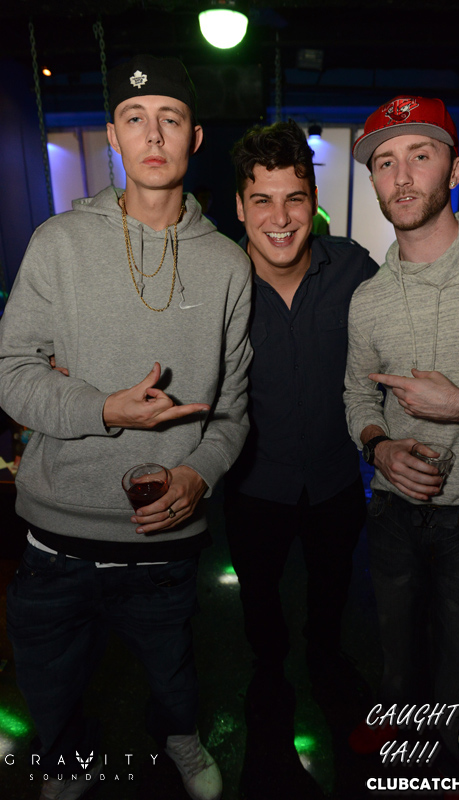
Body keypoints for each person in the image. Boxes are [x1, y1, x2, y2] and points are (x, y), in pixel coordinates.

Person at [0, 55, 252, 800]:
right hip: (57, 534)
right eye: (135, 119)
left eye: (171, 118)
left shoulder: (228, 265)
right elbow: (11, 372)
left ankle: (179, 738)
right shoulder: (58, 241)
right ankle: (67, 760)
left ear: (195, 137)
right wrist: (103, 409)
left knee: (174, 672)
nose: (154, 134)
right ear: (112, 135)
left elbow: (234, 408)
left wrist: (198, 472)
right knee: (51, 681)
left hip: (165, 537)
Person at [344, 95, 459, 757]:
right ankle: (399, 717)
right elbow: (356, 396)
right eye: (384, 162)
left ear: (454, 171)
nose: (401, 176)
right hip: (393, 509)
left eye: (420, 156)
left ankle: (457, 758)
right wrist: (379, 446)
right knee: (395, 645)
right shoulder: (368, 299)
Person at [225, 120, 378, 715]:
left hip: (336, 480)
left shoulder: (354, 270)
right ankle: (268, 671)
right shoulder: (217, 283)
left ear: (314, 202)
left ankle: (325, 658)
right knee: (259, 597)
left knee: (333, 588)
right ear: (240, 207)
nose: (280, 217)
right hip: (253, 485)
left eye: (294, 198)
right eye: (262, 200)